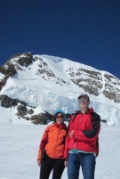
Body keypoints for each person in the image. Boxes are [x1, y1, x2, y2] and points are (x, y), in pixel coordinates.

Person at [64, 94, 101, 179]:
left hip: (88, 154)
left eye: (84, 99)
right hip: (72, 154)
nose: (82, 101)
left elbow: (93, 133)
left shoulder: (94, 116)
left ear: (88, 102)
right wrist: (66, 156)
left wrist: (75, 134)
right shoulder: (74, 116)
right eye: (80, 100)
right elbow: (68, 137)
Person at [37, 110, 67, 179]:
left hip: (60, 160)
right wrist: (39, 157)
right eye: (57, 116)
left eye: (61, 117)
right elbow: (42, 143)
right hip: (47, 157)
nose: (59, 118)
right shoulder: (49, 128)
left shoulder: (66, 130)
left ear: (63, 118)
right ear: (55, 118)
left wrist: (66, 159)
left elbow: (67, 147)